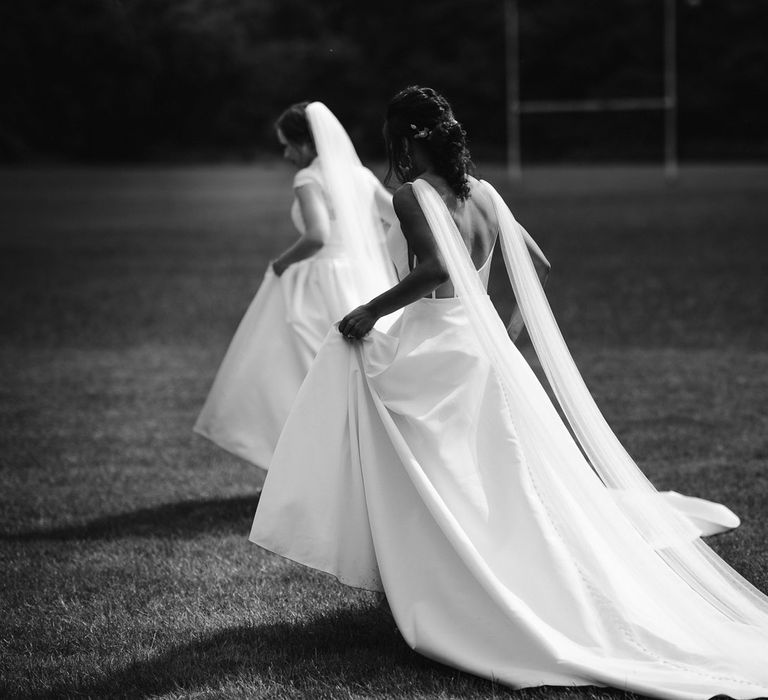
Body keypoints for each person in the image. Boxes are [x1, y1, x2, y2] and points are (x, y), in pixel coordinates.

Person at [250, 86, 768, 698]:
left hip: (435, 347)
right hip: (482, 344)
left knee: (432, 463)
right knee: (494, 473)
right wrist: (508, 334)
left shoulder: (412, 195)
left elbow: (437, 270)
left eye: (394, 142)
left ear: (408, 139)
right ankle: (488, 571)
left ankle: (452, 581)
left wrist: (367, 309)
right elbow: (535, 262)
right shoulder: (486, 193)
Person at [194, 102, 396, 468]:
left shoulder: (308, 179)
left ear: (305, 144)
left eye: (288, 145)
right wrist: (366, 248)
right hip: (359, 278)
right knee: (357, 374)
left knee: (298, 371)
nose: (286, 154)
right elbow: (396, 218)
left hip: (319, 280)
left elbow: (317, 236)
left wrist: (281, 263)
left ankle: (310, 461)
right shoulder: (360, 176)